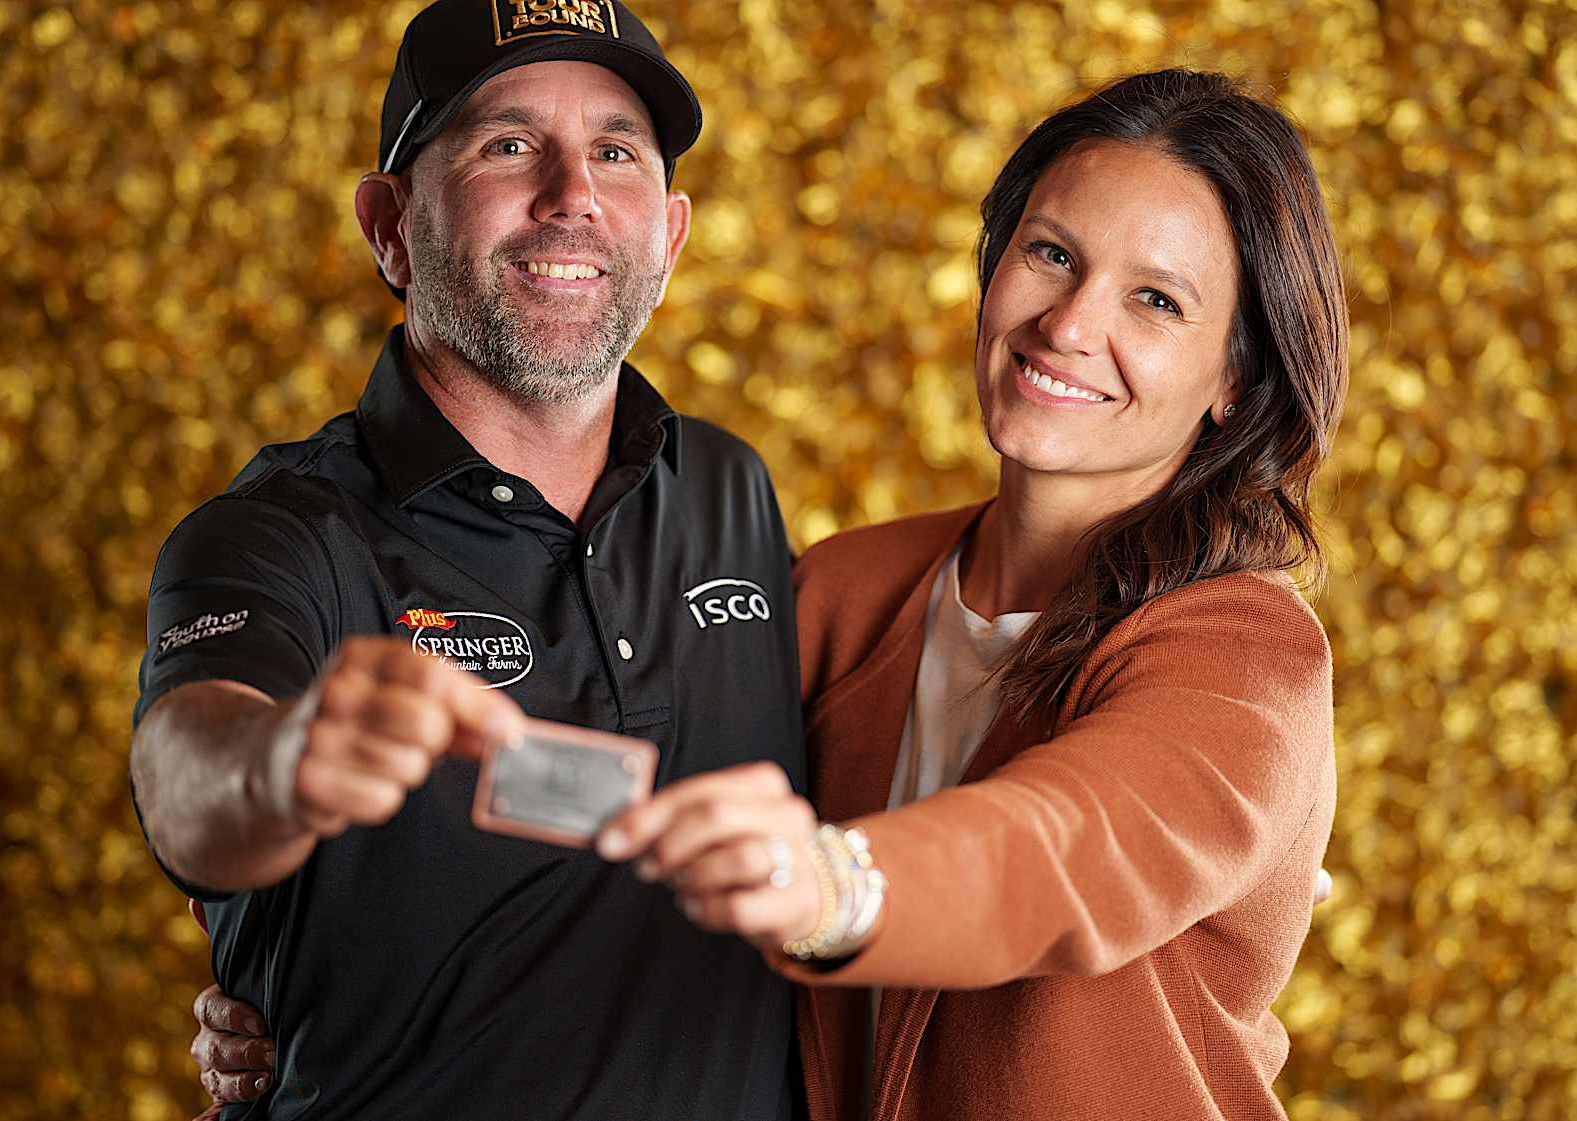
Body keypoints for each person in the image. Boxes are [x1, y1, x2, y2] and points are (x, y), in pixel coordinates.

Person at [190, 67, 1347, 1120]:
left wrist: (829, 882)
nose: (1072, 323)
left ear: (1235, 381)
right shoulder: (849, 588)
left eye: (1158, 301)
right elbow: (637, 784)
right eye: (1051, 253)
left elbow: (1064, 851)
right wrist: (318, 980)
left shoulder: (1244, 652)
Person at [129, 1, 806, 1118]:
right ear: (390, 225)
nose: (572, 195)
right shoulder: (278, 533)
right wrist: (279, 762)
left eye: (614, 151)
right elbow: (188, 777)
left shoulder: (733, 490)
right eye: (507, 145)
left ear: (670, 235)